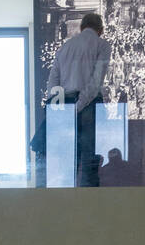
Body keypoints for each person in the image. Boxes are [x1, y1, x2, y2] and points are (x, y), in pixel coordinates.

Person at [45, 13, 111, 187]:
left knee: (67, 166)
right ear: (101, 30)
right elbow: (96, 82)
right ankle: (90, 211)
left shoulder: (65, 47)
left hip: (65, 105)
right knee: (89, 166)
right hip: (89, 107)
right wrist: (79, 105)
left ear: (82, 28)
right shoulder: (102, 45)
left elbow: (53, 82)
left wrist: (61, 109)